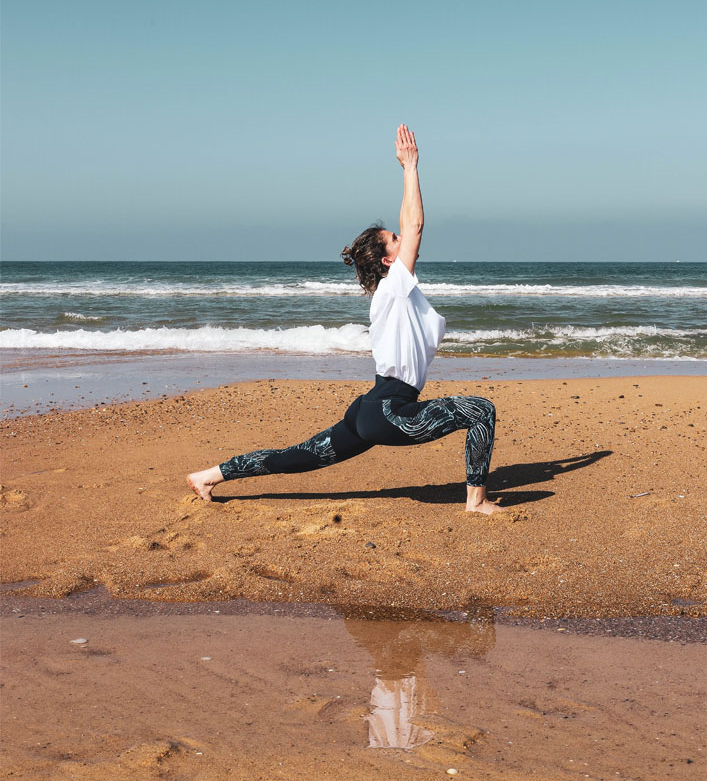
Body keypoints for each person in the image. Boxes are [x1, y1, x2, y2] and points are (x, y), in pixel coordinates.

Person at [187, 124, 501, 514]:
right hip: (391, 410)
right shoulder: (394, 287)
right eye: (396, 241)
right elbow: (415, 224)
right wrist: (410, 167)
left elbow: (408, 226)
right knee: (481, 411)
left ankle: (210, 475)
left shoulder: (395, 292)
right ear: (388, 260)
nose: (406, 242)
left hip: (369, 409)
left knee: (296, 457)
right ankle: (477, 501)